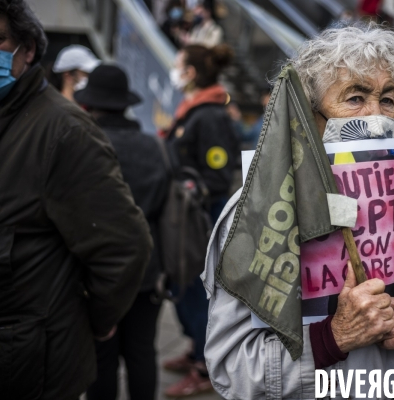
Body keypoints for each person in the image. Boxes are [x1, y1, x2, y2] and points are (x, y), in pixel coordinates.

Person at [202, 23, 394, 398]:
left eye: (387, 99)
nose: (375, 117)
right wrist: (331, 338)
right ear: (307, 114)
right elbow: (232, 367)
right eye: (355, 97)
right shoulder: (257, 212)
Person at [0, 2, 153, 400]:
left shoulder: (63, 131)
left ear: (28, 50)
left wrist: (93, 320)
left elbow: (124, 245)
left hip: (27, 365)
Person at [75, 65, 169, 400]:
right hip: (149, 267)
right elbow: (162, 204)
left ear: (90, 105)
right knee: (142, 351)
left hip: (97, 272)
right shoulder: (154, 146)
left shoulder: (84, 143)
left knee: (101, 356)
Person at [162, 43, 238, 397]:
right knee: (185, 289)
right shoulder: (195, 109)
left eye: (180, 65)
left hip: (200, 220)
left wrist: (191, 187)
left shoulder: (209, 115)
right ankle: (196, 349)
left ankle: (206, 369)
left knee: (198, 292)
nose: (176, 71)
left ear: (191, 73)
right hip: (187, 216)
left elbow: (219, 175)